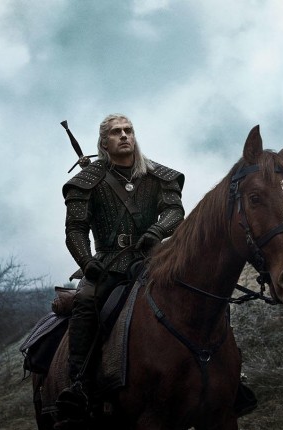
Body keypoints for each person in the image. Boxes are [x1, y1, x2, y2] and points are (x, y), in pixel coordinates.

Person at [56, 114, 185, 424]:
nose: (124, 136)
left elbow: (174, 210)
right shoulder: (87, 180)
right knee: (86, 301)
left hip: (154, 259)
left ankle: (223, 374)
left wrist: (157, 230)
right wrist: (87, 262)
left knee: (196, 287)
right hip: (108, 264)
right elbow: (75, 230)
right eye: (116, 132)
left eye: (128, 130)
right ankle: (79, 385)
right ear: (104, 142)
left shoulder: (158, 175)